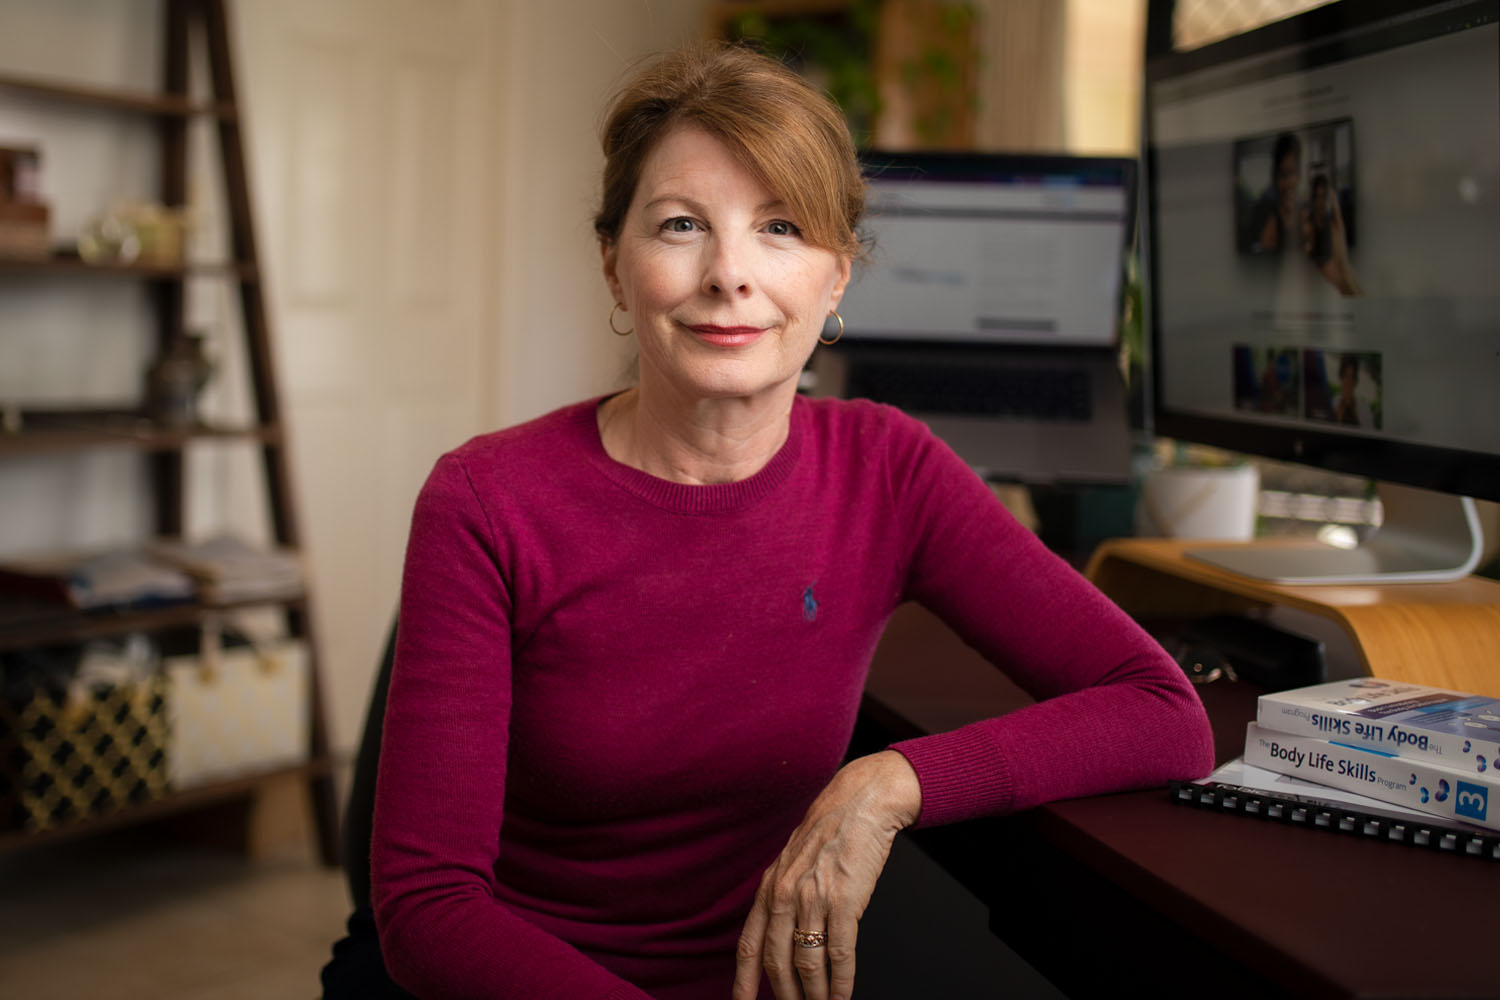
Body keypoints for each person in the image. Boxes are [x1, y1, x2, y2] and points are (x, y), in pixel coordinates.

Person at [361, 44, 1215, 1000]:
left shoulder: (888, 468)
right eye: (681, 224)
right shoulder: (486, 499)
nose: (731, 274)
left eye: (780, 228)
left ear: (837, 276)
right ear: (613, 263)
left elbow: (1161, 710)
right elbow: (429, 910)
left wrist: (885, 784)